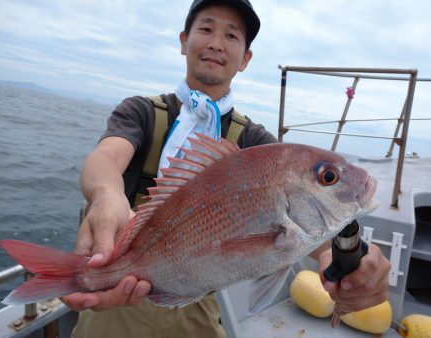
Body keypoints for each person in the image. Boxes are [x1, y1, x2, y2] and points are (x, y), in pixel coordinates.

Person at [62, 0, 391, 337]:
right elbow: (106, 158)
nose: (217, 43)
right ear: (183, 40)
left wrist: (347, 268)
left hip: (195, 307)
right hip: (112, 306)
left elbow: (309, 233)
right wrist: (105, 193)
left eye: (232, 36)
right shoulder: (143, 113)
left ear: (246, 58)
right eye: (205, 29)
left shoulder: (258, 143)